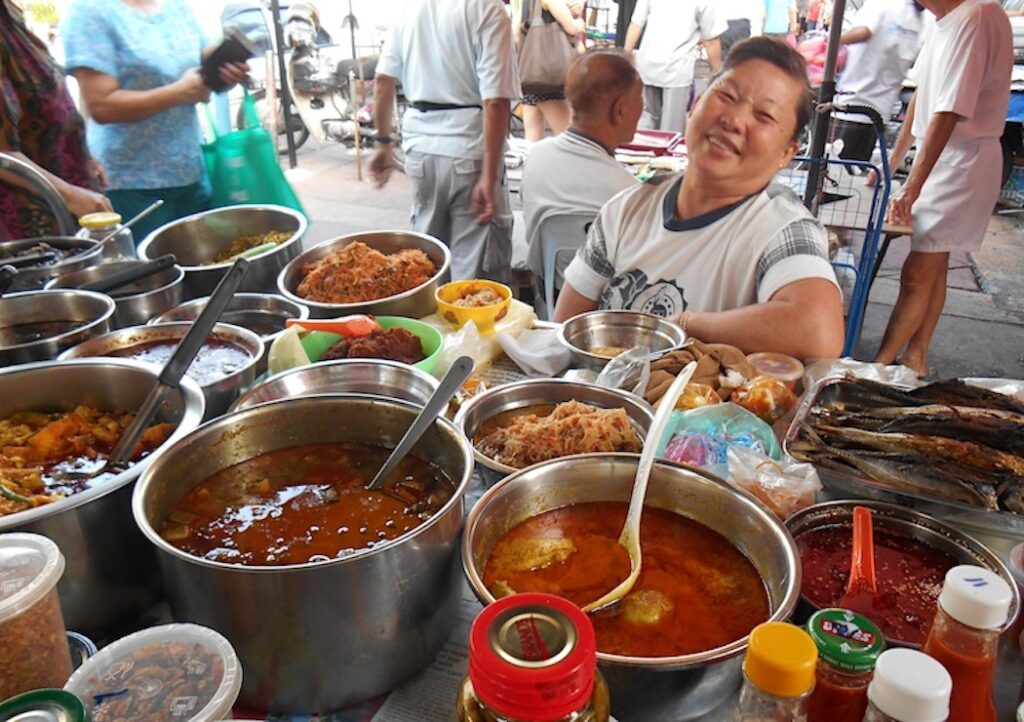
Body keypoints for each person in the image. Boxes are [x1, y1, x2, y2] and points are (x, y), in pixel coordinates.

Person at [554, 37, 844, 360]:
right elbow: (565, 328)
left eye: (764, 116)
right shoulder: (626, 210)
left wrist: (684, 325)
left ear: (787, 154)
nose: (734, 120)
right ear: (697, 103)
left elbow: (818, 330)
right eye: (727, 96)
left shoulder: (781, 227)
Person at [874, 0, 1012, 375]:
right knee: (932, 265)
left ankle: (880, 366)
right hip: (943, 158)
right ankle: (915, 357)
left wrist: (910, 188)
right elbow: (923, 96)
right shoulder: (943, 21)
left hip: (962, 162)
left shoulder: (977, 15)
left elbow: (949, 110)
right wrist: (893, 160)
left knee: (917, 272)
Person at [62, 0, 248, 242]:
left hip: (190, 171)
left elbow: (204, 61)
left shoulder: (176, 7)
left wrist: (226, 72)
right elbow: (102, 106)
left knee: (202, 268)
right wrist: (179, 92)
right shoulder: (91, 11)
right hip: (131, 183)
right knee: (149, 274)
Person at [370, 0, 520, 284]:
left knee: (425, 264)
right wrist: (489, 178)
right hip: (470, 151)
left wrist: (383, 143)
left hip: (420, 151)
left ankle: (428, 326)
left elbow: (382, 80)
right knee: (474, 275)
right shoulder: (487, 8)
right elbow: (497, 101)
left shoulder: (408, 7)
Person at [521, 49, 642, 296]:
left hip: (548, 295)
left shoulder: (536, 157)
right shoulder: (629, 192)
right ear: (620, 110)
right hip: (607, 313)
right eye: (640, 98)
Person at [0, 0, 110, 241]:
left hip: (59, 186)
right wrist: (68, 194)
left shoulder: (9, 14)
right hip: (26, 221)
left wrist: (80, 155)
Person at [832, 0, 926, 164]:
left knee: (832, 173)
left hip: (851, 103)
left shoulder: (882, 3)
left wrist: (829, 41)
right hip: (879, 112)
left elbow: (864, 31)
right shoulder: (925, 19)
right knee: (853, 174)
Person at [624, 0, 726, 133]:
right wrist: (718, 74)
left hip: (647, 66)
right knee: (671, 129)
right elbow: (711, 40)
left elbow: (636, 24)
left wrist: (625, 56)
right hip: (677, 70)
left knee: (645, 123)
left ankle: (641, 152)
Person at [511, 0, 585, 141]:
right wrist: (578, 25)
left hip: (531, 75)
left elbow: (515, 33)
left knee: (532, 140)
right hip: (550, 78)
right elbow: (571, 28)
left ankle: (534, 164)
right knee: (569, 138)